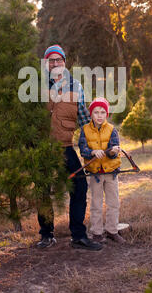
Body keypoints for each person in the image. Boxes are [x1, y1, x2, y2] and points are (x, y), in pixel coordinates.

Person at [36, 44, 103, 251]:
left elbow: (84, 121)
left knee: (79, 186)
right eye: (51, 60)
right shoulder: (37, 87)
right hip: (42, 149)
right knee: (42, 190)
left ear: (65, 62)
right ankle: (47, 235)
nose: (56, 63)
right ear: (46, 64)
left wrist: (98, 144)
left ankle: (78, 236)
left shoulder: (75, 86)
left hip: (64, 147)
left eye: (59, 60)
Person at [78, 97, 125, 244]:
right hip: (95, 174)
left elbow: (114, 151)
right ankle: (97, 232)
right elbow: (83, 149)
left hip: (111, 173)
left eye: (103, 112)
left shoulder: (112, 130)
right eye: (96, 112)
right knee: (96, 203)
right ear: (91, 114)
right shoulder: (85, 130)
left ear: (107, 114)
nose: (99, 115)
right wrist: (92, 152)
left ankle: (112, 230)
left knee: (113, 202)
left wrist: (111, 151)